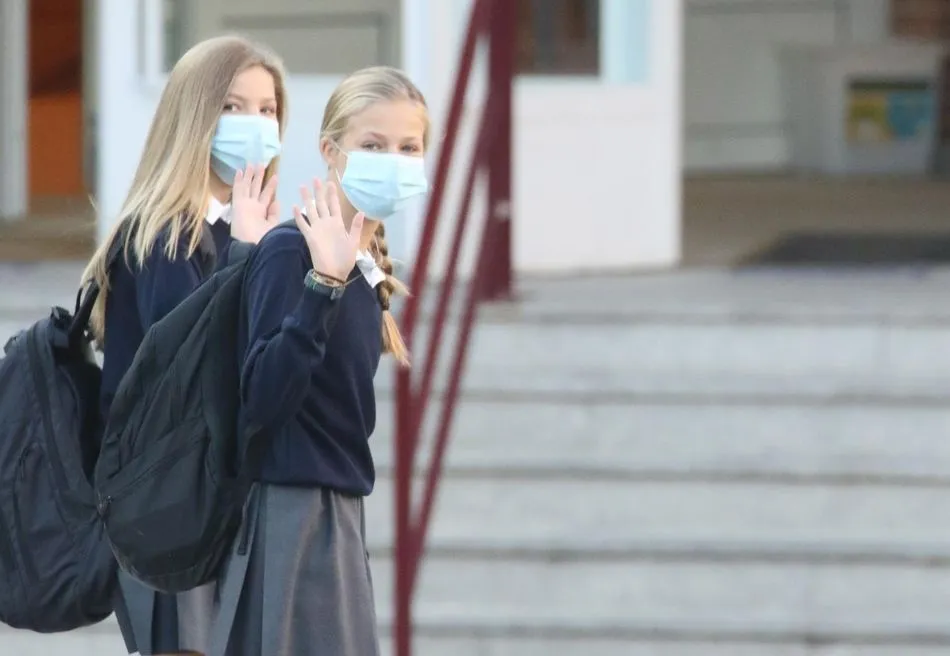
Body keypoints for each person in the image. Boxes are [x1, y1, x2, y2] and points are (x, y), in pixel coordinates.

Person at [207, 66, 430, 655]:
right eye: (373, 145)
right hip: (292, 514)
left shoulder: (365, 268)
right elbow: (261, 397)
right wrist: (322, 289)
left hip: (337, 514)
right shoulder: (292, 252)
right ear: (331, 151)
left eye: (409, 147)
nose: (394, 161)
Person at [78, 35, 287, 656]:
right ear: (194, 116)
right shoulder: (165, 235)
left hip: (210, 498)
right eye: (232, 107)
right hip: (170, 501)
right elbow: (196, 362)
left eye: (268, 109)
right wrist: (249, 256)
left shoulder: (232, 231)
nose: (255, 124)